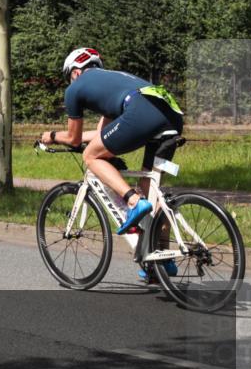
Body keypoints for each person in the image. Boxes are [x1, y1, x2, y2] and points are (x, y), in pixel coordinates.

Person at [40, 48, 184, 279]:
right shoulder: (112, 83)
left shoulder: (74, 89)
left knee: (90, 157)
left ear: (75, 72)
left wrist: (52, 136)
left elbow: (74, 139)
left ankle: (133, 201)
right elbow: (100, 136)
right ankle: (161, 260)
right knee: (153, 193)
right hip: (171, 115)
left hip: (141, 112)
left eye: (69, 76)